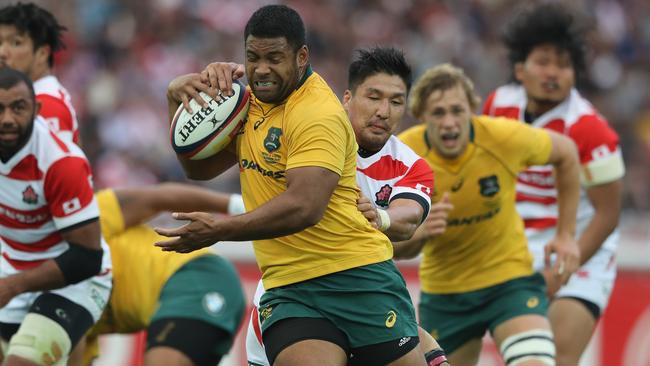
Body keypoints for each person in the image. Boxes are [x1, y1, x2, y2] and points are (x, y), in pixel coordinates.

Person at [160, 5, 426, 366]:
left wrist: (219, 229)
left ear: (302, 57)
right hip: (289, 289)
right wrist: (179, 103)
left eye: (274, 58)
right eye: (253, 57)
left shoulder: (318, 114)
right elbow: (199, 168)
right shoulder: (246, 103)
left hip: (357, 276)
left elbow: (305, 207)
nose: (262, 69)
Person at [244, 47, 451, 366]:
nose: (384, 111)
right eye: (373, 97)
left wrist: (381, 217)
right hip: (295, 298)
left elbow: (407, 218)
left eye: (396, 102)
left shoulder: (411, 165)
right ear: (347, 98)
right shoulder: (311, 138)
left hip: (363, 299)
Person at [397, 63, 581, 366]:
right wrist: (421, 233)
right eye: (438, 113)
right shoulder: (404, 156)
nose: (449, 122)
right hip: (447, 294)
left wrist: (565, 235)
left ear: (472, 109)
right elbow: (389, 248)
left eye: (457, 110)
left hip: (509, 281)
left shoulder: (502, 138)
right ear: (420, 115)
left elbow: (567, 153)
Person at [482, 3, 625, 365]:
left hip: (580, 256)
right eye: (543, 62)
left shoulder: (591, 130)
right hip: (513, 253)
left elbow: (607, 216)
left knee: (555, 357)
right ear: (520, 68)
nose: (553, 73)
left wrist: (560, 271)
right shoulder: (498, 106)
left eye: (563, 64)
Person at [0, 67, 111, 365]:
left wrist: (12, 286)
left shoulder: (61, 162)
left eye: (18, 107)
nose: (8, 119)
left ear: (36, 109)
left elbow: (87, 258)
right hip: (12, 272)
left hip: (77, 281)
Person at [74, 184, 246, 366]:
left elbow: (159, 198)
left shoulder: (81, 221)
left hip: (194, 275)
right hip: (185, 295)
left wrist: (239, 206)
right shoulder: (59, 317)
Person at [0, 3, 80, 145]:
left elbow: (54, 167)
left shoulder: (47, 107)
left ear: (42, 53)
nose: (2, 53)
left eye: (16, 43)